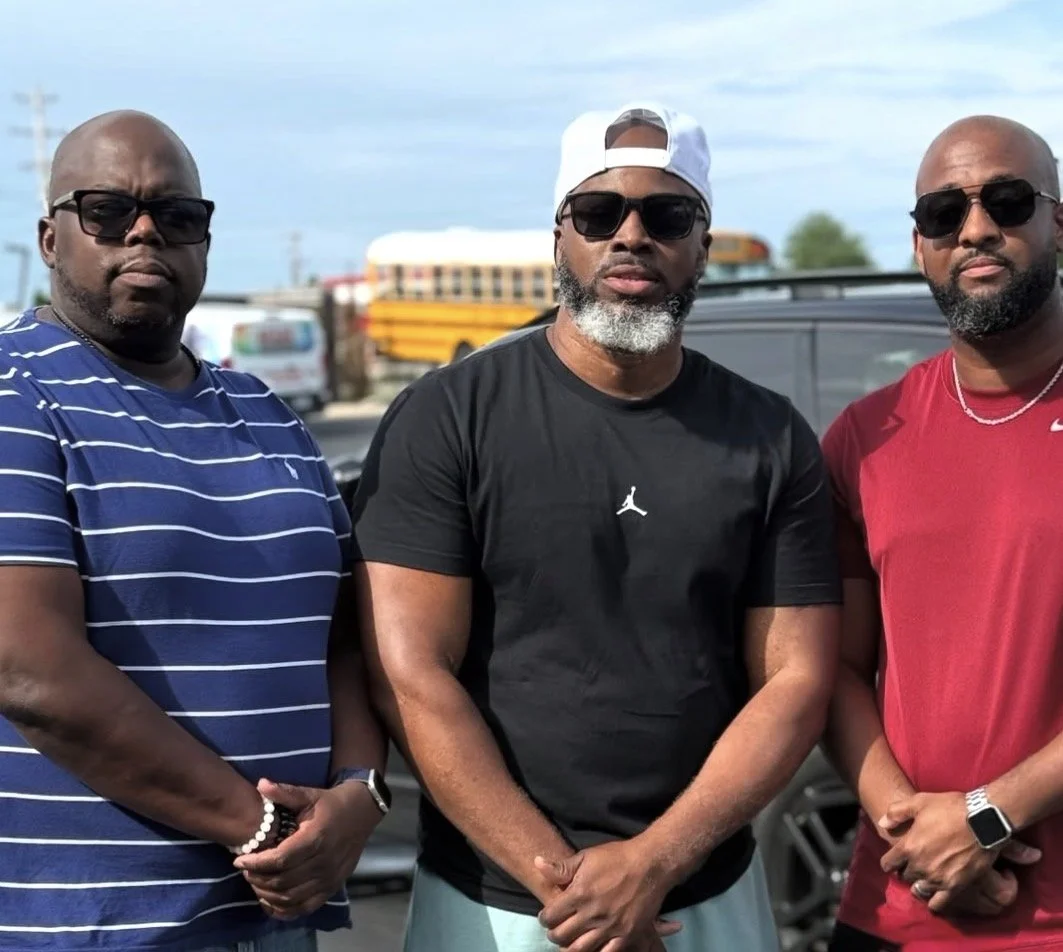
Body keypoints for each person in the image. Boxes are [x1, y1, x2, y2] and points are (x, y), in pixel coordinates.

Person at [352, 100, 842, 952]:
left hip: (703, 897)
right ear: (560, 237)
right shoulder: (449, 415)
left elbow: (794, 682)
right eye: (598, 212)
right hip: (499, 906)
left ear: (701, 244)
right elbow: (409, 674)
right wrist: (572, 889)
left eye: (667, 215)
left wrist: (652, 864)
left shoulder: (768, 434)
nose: (630, 235)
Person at [0, 110, 389, 952]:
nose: (145, 232)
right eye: (107, 211)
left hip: (276, 918)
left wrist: (360, 793)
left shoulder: (266, 414)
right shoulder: (15, 395)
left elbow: (344, 636)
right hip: (97, 927)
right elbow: (29, 670)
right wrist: (257, 827)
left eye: (176, 215)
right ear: (50, 238)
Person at [823, 115, 1063, 951]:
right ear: (919, 245)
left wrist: (989, 816)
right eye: (942, 213)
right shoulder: (864, 437)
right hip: (895, 908)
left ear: (1057, 222)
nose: (974, 229)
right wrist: (914, 834)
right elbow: (834, 670)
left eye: (1007, 201)